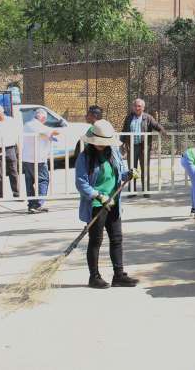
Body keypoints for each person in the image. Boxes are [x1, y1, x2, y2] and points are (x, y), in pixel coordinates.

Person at [75, 120, 138, 289]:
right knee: (96, 240)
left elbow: (121, 174)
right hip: (97, 204)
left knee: (117, 239)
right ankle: (94, 277)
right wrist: (100, 196)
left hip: (114, 202)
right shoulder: (85, 157)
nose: (102, 146)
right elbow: (81, 184)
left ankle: (119, 276)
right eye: (99, 143)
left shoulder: (114, 152)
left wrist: (129, 174)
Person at [120, 98, 166, 197]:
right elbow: (124, 130)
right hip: (131, 146)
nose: (137, 108)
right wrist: (121, 143)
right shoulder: (129, 118)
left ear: (143, 107)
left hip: (143, 147)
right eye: (135, 106)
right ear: (133, 107)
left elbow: (156, 125)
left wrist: (162, 130)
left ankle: (146, 191)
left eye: (139, 106)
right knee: (132, 169)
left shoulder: (148, 118)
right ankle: (132, 191)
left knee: (145, 169)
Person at [22, 108, 59, 214]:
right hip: (38, 159)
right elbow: (54, 132)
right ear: (42, 118)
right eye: (45, 119)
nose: (45, 121)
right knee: (43, 180)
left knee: (29, 183)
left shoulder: (27, 125)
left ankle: (31, 204)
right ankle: (38, 205)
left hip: (27, 158)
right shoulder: (39, 126)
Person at [0, 105, 21, 198]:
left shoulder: (11, 121)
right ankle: (0, 195)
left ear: (2, 112)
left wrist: (18, 146)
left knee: (13, 171)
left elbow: (16, 133)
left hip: (10, 148)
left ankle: (17, 193)